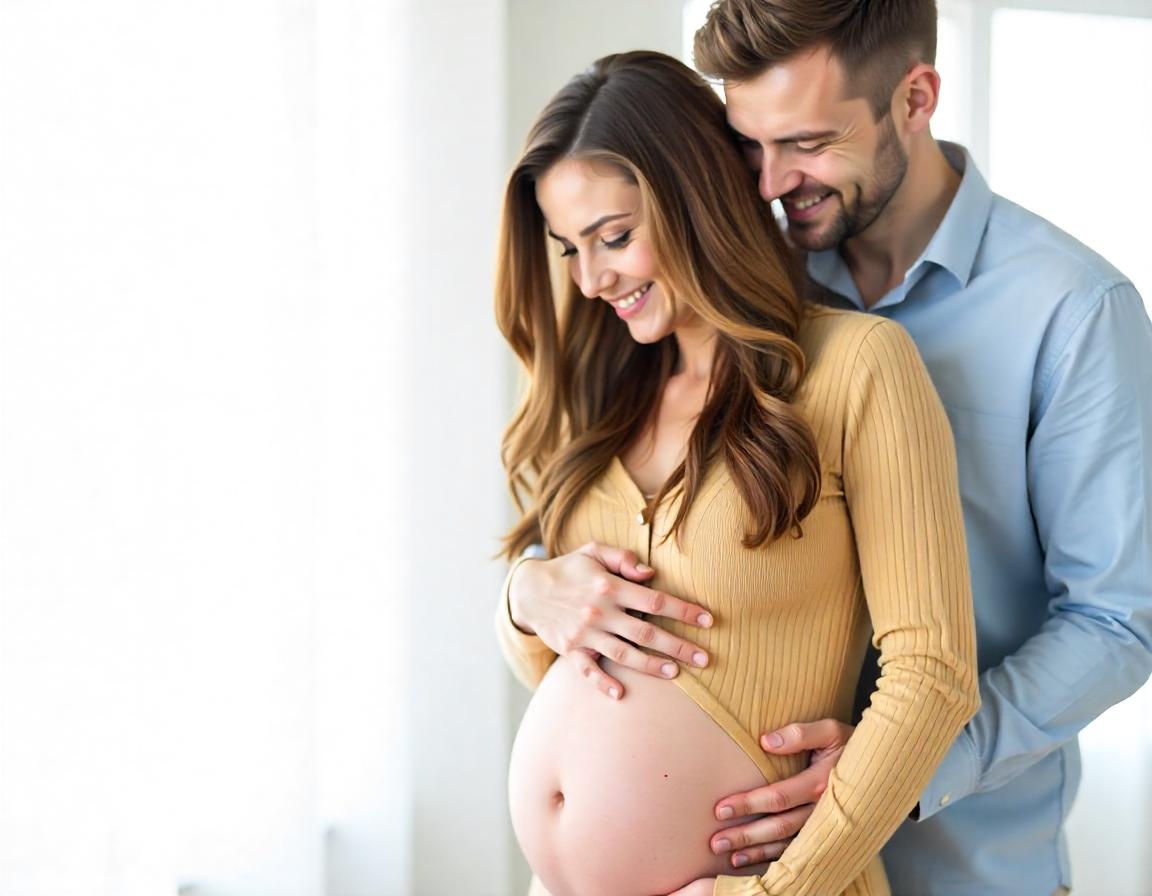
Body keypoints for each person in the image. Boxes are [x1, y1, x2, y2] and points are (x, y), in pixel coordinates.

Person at [506, 2, 1152, 894]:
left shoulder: (1068, 310)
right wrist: (525, 587)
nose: (771, 184)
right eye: (749, 146)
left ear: (916, 98)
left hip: (965, 854)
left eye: (807, 142)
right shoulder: (735, 298)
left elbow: (1116, 619)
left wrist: (908, 771)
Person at [495, 50, 978, 896]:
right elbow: (570, 661)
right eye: (570, 248)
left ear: (698, 201)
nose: (592, 277)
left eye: (614, 237)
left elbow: (933, 673)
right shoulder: (602, 391)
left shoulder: (856, 368)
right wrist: (523, 599)